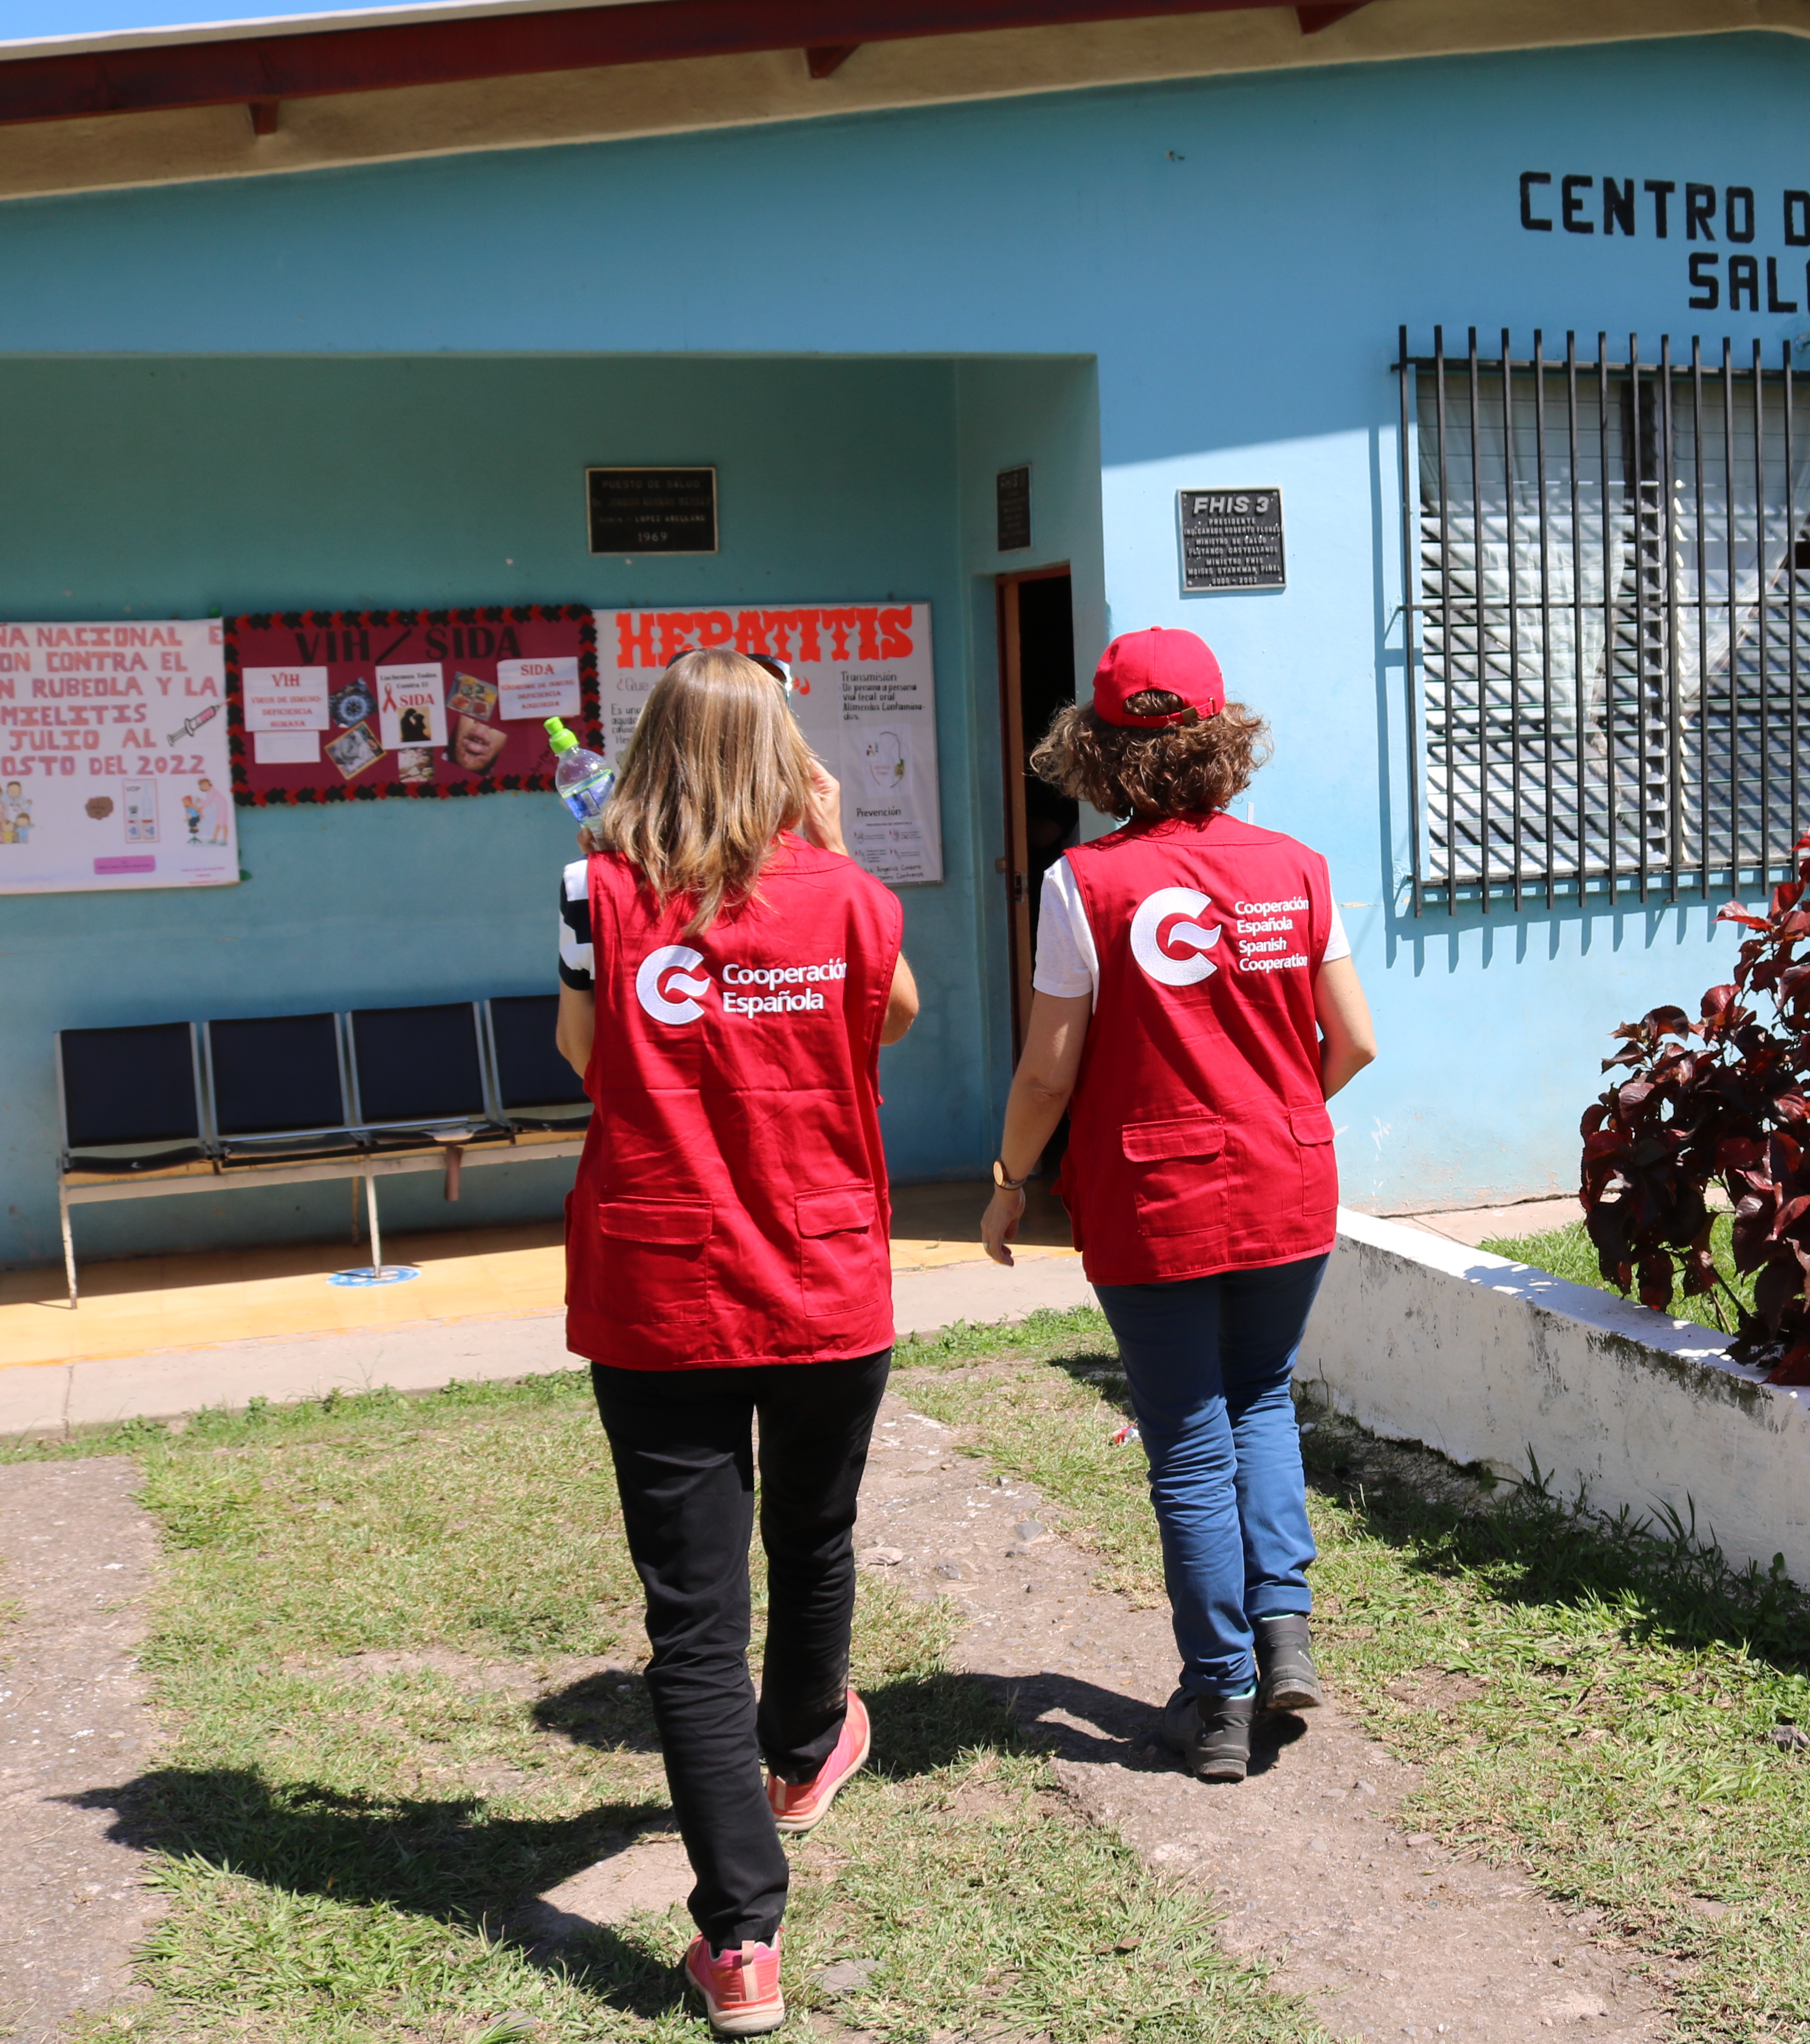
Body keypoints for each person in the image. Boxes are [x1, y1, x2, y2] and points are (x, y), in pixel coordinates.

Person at [554, 648, 921, 2036]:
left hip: (663, 1292)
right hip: (823, 1278)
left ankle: (743, 1939)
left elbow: (584, 1056)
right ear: (786, 754)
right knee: (813, 1538)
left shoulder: (596, 890)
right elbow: (886, 1021)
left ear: (652, 750)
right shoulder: (852, 895)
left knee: (694, 1624)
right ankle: (806, 1748)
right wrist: (822, 846)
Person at [977, 626, 1377, 1782]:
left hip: (1155, 1192)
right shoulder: (1297, 865)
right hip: (1288, 1175)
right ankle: (1283, 1632)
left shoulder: (1082, 883)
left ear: (1099, 752)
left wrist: (1008, 1185)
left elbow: (1050, 1071)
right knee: (1261, 1397)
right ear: (1221, 739)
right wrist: (1273, 1105)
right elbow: (1350, 1038)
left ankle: (1217, 1697)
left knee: (1190, 1445)